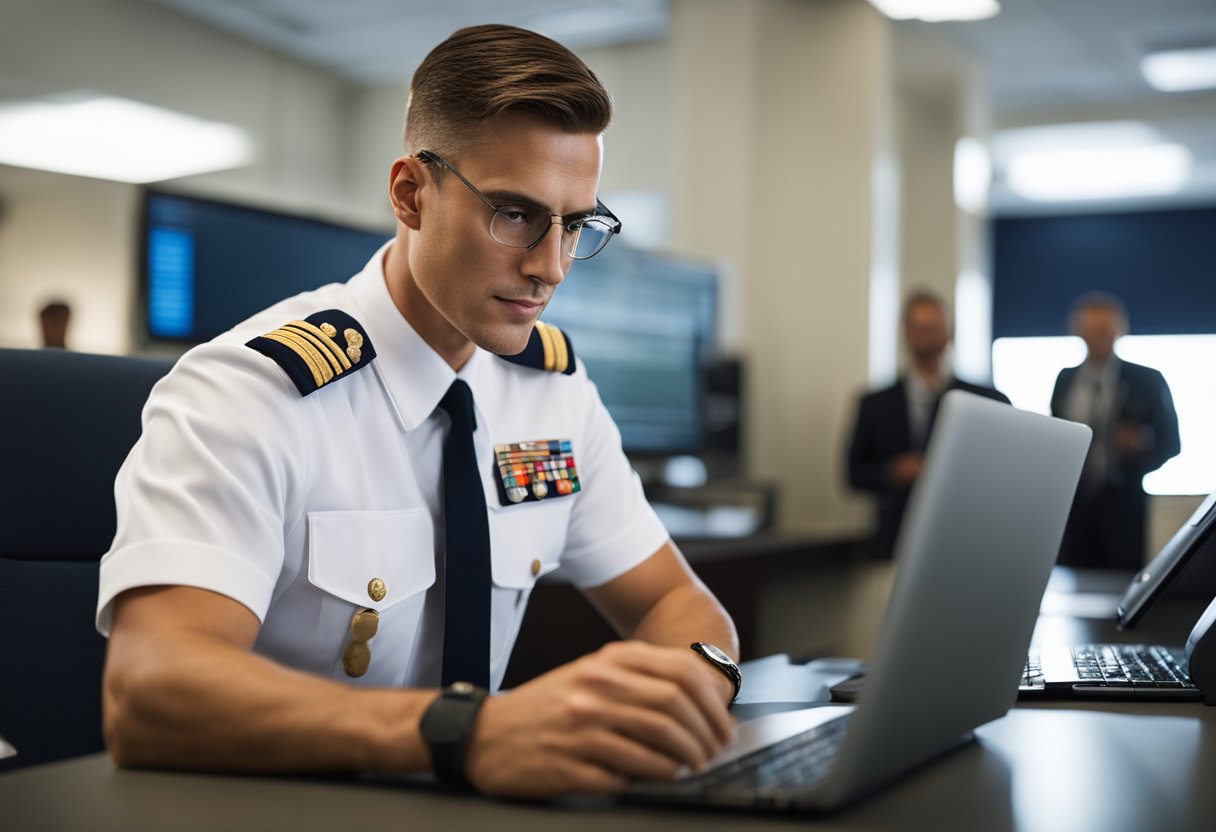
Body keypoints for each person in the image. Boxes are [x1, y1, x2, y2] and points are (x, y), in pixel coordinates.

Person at [98, 25, 739, 800]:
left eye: (575, 225)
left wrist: (692, 687)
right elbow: (148, 688)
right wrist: (465, 735)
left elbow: (674, 599)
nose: (551, 267)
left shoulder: (554, 396)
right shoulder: (254, 393)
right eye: (514, 215)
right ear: (410, 194)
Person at [846, 291, 1010, 558]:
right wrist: (892, 471)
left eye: (934, 328)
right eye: (918, 328)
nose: (927, 336)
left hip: (966, 537)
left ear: (948, 331)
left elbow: (1004, 470)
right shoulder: (874, 403)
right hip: (895, 536)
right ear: (905, 333)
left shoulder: (986, 401)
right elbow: (852, 473)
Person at [1051, 293, 1180, 571]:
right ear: (1077, 331)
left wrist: (1139, 449)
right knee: (1073, 577)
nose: (1099, 336)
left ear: (1120, 330)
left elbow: (1171, 442)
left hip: (1124, 504)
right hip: (1075, 506)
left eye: (1106, 329)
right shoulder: (1065, 379)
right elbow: (1056, 439)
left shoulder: (1147, 380)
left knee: (1124, 582)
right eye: (1092, 329)